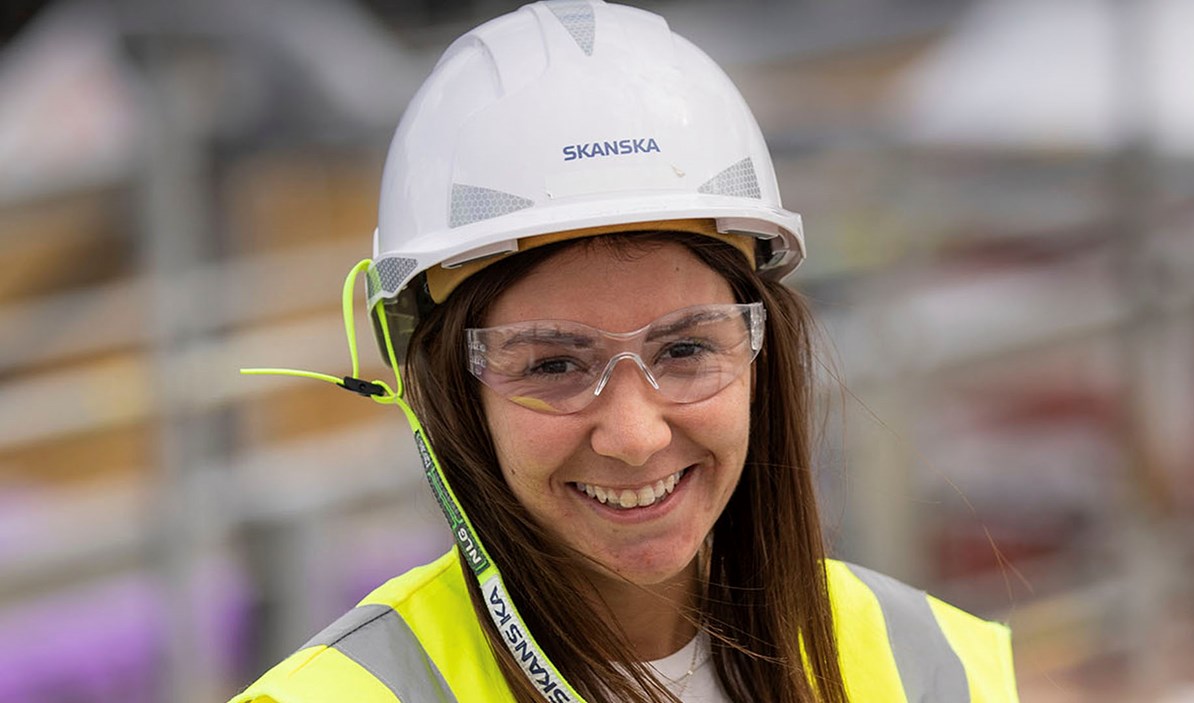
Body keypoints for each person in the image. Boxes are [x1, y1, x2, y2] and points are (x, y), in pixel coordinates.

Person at [231, 1, 1018, 701]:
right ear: (446, 390)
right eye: (552, 364)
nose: (636, 434)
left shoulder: (934, 664)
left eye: (684, 348)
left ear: (759, 355)